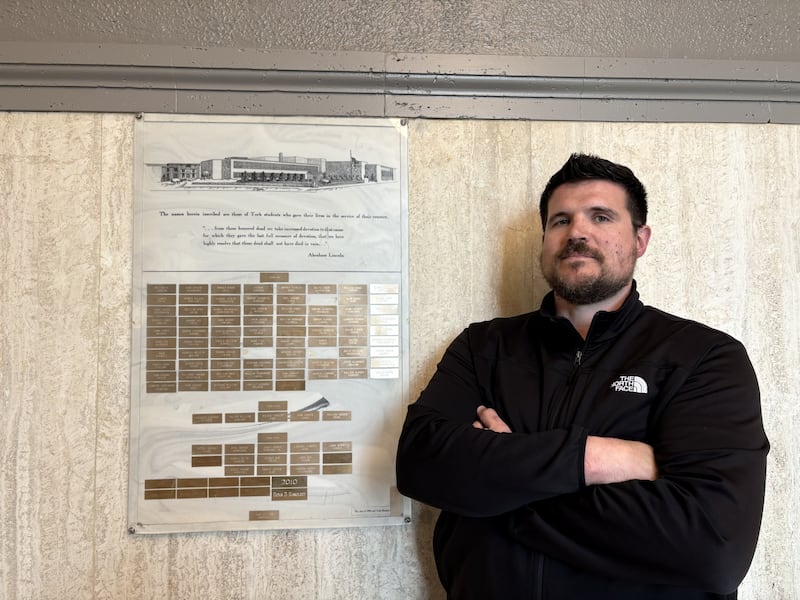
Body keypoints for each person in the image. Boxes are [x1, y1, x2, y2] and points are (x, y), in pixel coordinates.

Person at [395, 153, 769, 599]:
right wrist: (594, 458)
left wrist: (497, 486)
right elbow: (420, 464)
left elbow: (711, 548)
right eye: (560, 221)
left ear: (640, 239)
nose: (577, 232)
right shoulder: (484, 347)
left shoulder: (704, 357)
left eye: (601, 216)